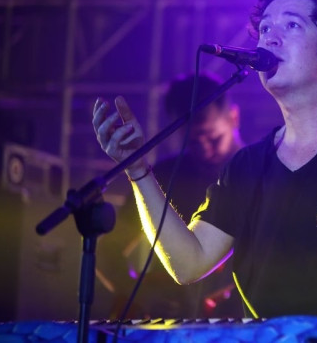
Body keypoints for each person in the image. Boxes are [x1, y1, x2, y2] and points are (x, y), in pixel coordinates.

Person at [93, 0, 317, 318]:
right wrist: (138, 170)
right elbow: (188, 263)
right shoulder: (247, 166)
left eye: (292, 25)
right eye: (265, 28)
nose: (270, 39)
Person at [99, 73, 244, 319]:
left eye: (213, 137)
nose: (205, 148)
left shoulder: (260, 172)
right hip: (171, 322)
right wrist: (140, 295)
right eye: (193, 141)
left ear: (234, 117)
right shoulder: (166, 175)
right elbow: (108, 249)